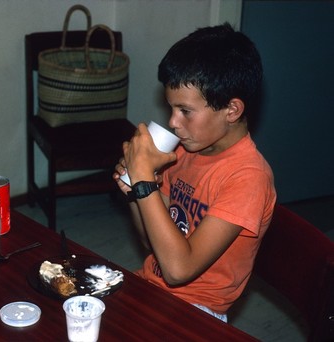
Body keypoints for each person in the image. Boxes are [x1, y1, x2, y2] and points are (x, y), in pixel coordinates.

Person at [113, 23, 276, 322]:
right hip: (153, 285)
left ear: (232, 110)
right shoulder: (185, 151)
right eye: (171, 108)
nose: (173, 122)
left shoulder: (248, 177)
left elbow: (178, 270)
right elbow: (154, 244)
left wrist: (145, 183)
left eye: (185, 111)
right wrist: (135, 190)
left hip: (197, 312)